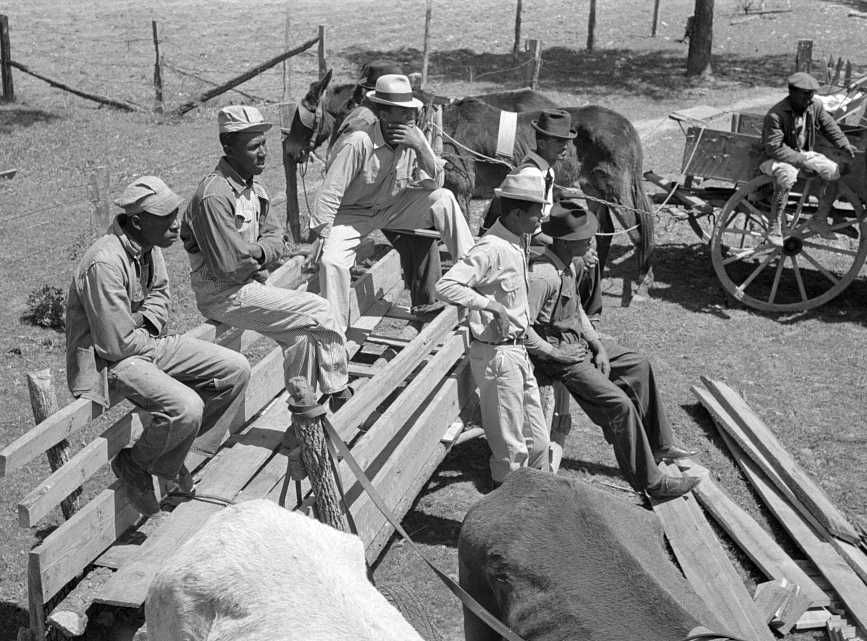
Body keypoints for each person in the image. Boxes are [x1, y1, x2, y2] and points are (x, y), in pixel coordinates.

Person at [66, 176, 252, 516]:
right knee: (187, 407)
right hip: (111, 364)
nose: (177, 223)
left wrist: (139, 322)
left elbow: (160, 298)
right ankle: (136, 464)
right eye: (167, 216)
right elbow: (114, 344)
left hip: (145, 344)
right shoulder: (105, 262)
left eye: (176, 212)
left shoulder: (149, 245)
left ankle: (173, 455)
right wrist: (137, 329)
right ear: (138, 221)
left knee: (236, 370)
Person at [525, 199, 701, 500]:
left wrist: (597, 345)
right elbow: (521, 328)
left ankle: (657, 443)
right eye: (586, 238)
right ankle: (652, 483)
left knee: (639, 365)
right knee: (619, 405)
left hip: (578, 343)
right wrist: (555, 355)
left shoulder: (568, 264)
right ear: (568, 242)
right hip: (560, 357)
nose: (591, 241)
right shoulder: (542, 276)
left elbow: (577, 309)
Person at [181, 106, 352, 410]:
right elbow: (229, 266)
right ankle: (339, 391)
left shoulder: (254, 189)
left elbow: (278, 239)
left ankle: (301, 409)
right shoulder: (214, 196)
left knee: (299, 340)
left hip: (249, 286)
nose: (262, 154)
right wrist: (263, 253)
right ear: (228, 148)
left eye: (263, 144)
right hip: (222, 295)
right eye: (252, 147)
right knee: (320, 309)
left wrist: (257, 252)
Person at [311, 73, 475, 333]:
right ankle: (335, 333)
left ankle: (469, 280)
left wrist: (422, 148)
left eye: (411, 112)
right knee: (331, 262)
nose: (410, 119)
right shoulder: (359, 142)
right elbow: (330, 191)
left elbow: (436, 184)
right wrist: (322, 234)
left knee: (444, 199)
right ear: (384, 114)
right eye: (402, 113)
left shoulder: (414, 137)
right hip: (353, 215)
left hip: (393, 207)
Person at [435, 172, 550, 488]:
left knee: (538, 443)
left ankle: (537, 499)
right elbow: (446, 285)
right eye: (537, 211)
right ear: (515, 214)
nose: (542, 216)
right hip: (497, 358)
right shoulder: (491, 248)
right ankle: (511, 515)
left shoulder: (517, 241)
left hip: (517, 352)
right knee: (511, 452)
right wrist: (492, 307)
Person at [330, 60, 445, 317]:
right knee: (416, 238)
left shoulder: (393, 123)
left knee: (422, 233)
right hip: (359, 206)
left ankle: (427, 300)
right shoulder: (362, 123)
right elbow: (341, 176)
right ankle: (426, 300)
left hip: (385, 199)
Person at [760, 71, 857, 240]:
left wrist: (843, 143)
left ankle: (820, 218)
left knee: (834, 171)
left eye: (812, 94)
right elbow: (774, 148)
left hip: (802, 154)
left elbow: (829, 125)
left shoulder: (814, 106)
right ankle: (774, 225)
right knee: (787, 175)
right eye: (806, 94)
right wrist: (801, 161)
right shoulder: (776, 115)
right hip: (776, 159)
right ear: (792, 93)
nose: (810, 98)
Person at [478, 109, 576, 240]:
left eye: (566, 141)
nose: (565, 147)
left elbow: (542, 220)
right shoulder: (531, 175)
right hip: (503, 241)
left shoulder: (546, 172)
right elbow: (530, 231)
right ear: (541, 144)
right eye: (559, 141)